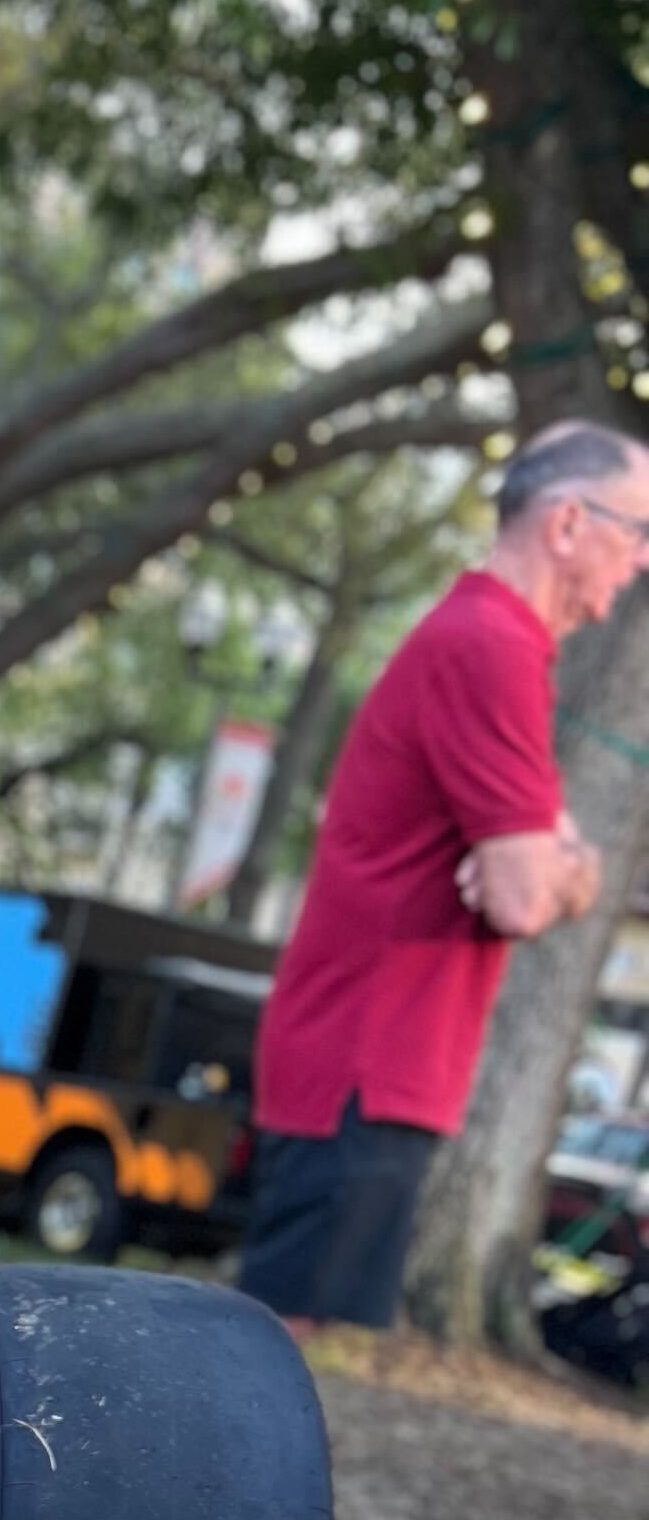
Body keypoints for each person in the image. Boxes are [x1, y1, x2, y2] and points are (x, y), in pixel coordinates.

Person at [242, 419, 649, 1332]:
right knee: (276, 1359)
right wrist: (554, 868)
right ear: (567, 524)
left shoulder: (497, 646)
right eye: (637, 532)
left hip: (373, 1064)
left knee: (287, 1360)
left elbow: (545, 874)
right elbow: (523, 894)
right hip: (364, 1065)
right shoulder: (490, 647)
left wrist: (561, 865)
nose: (642, 561)